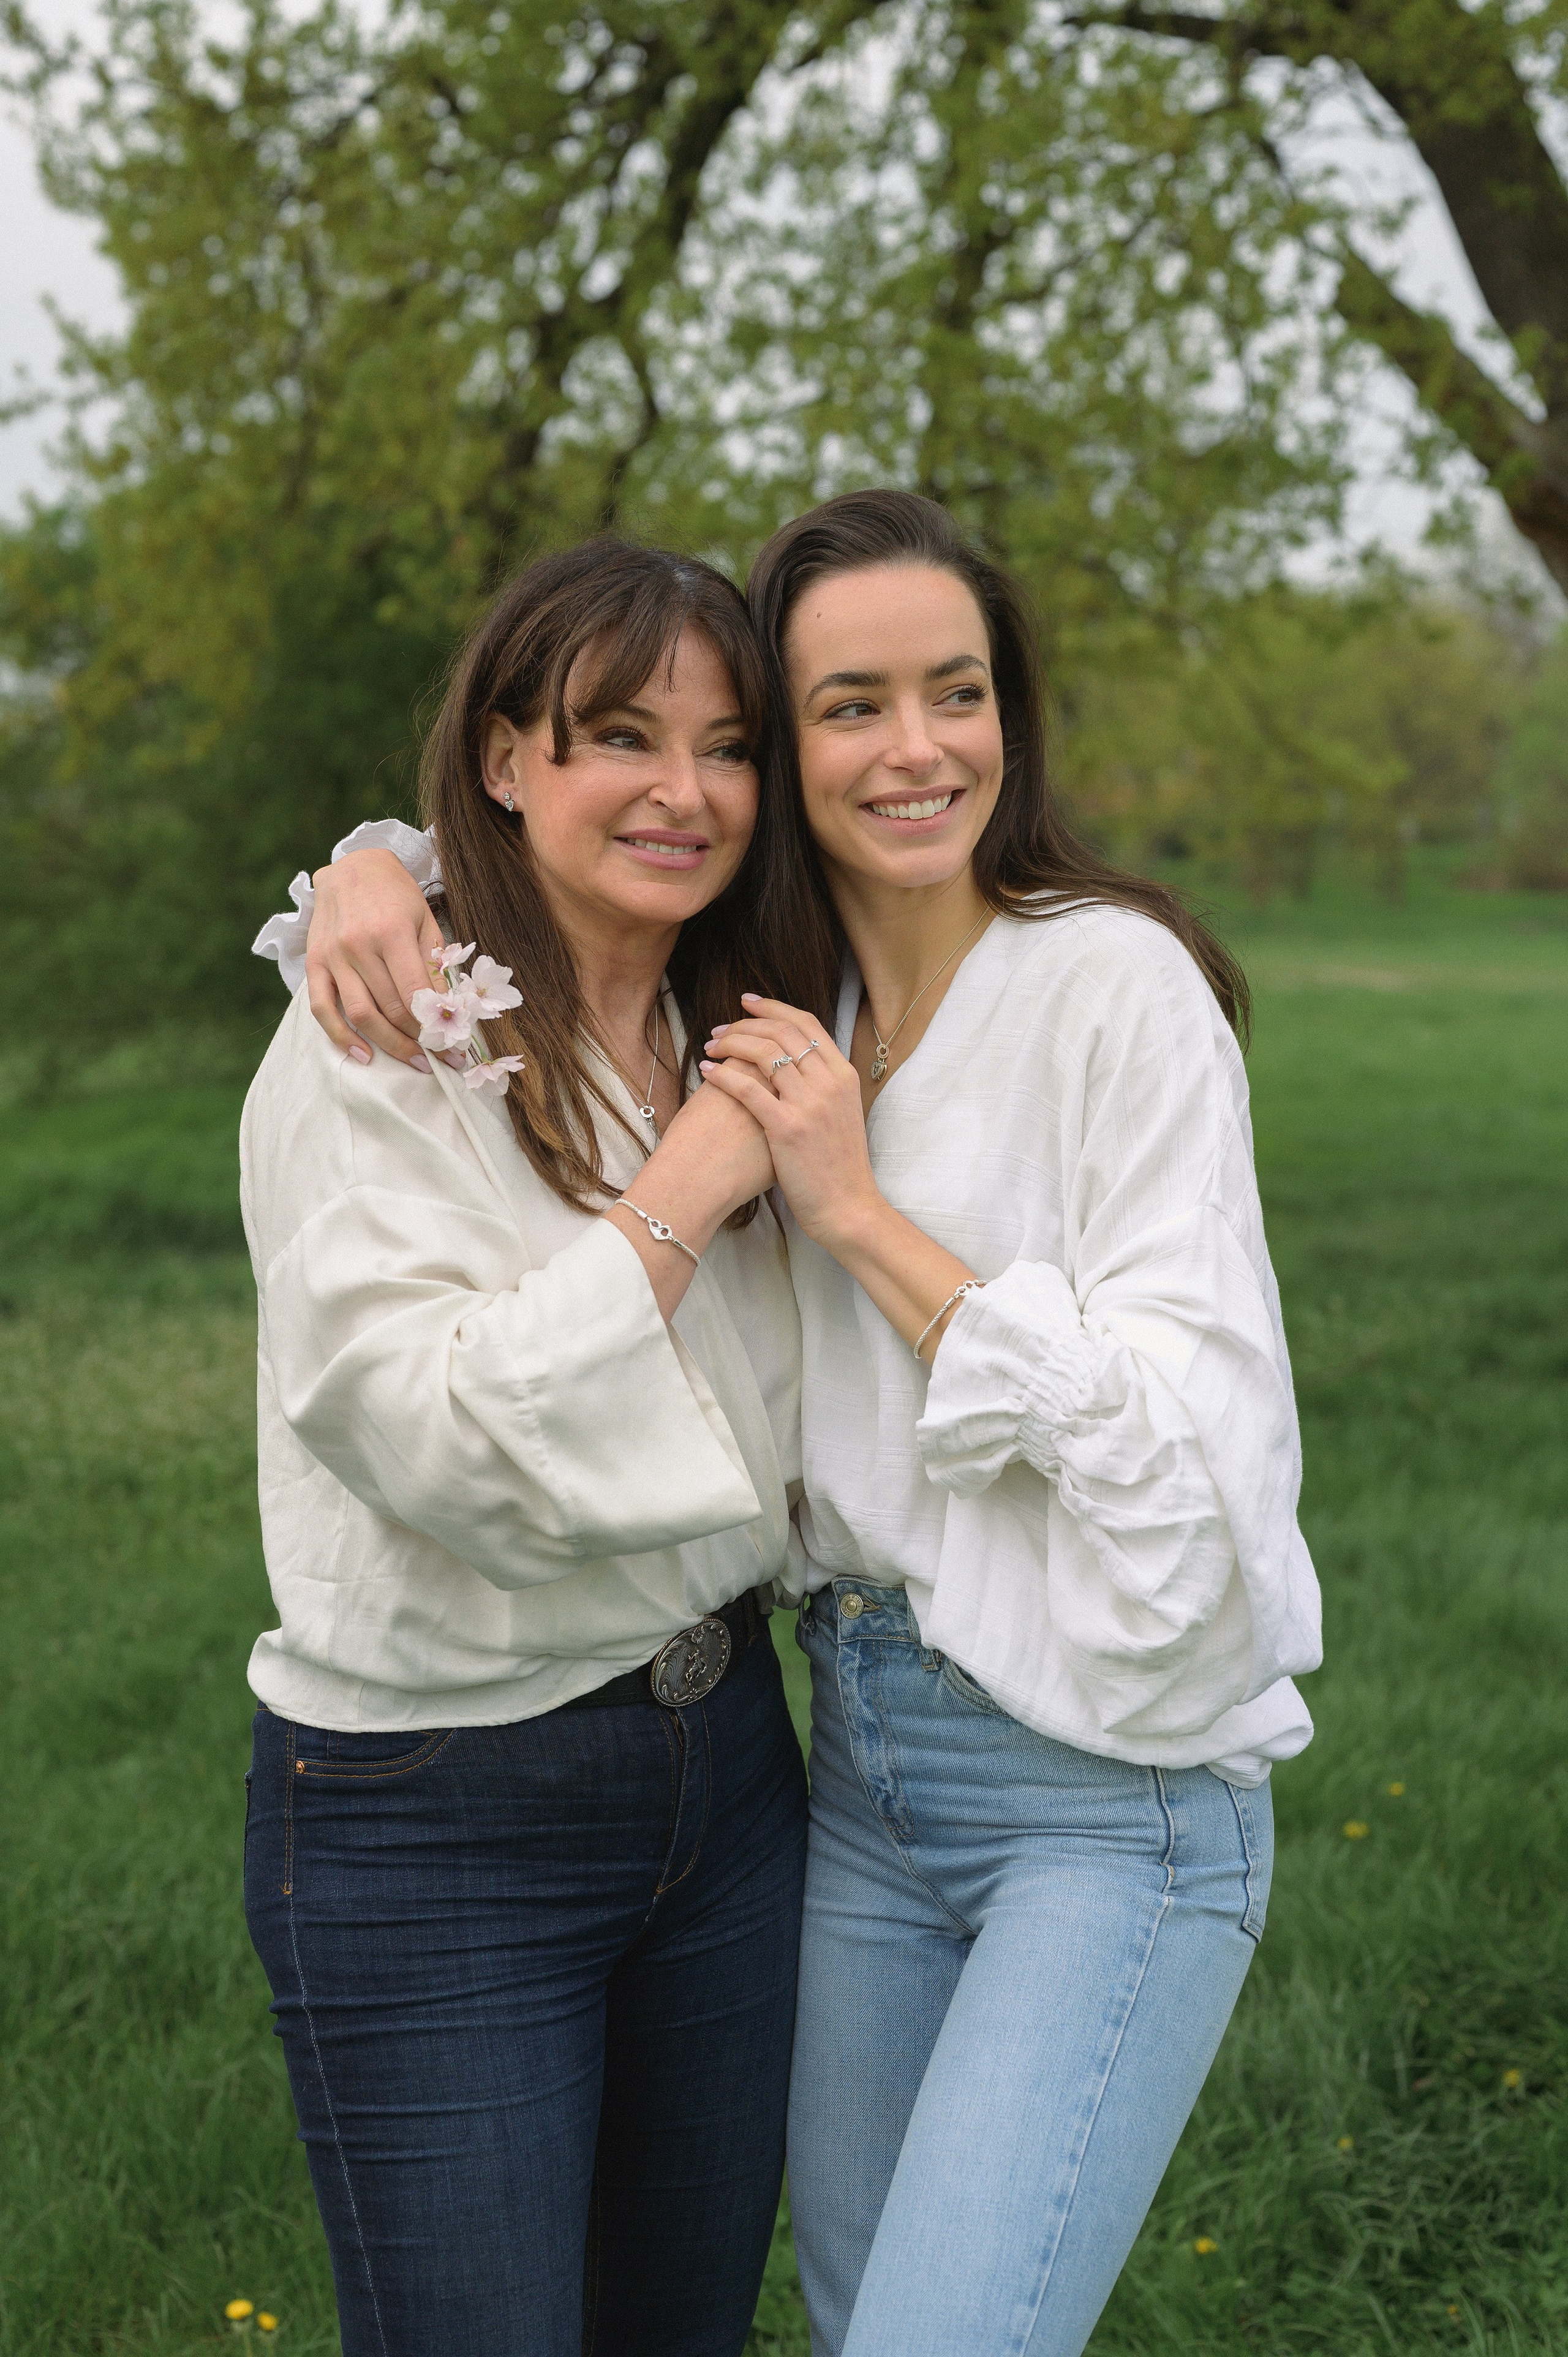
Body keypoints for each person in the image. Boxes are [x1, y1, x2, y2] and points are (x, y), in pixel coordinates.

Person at [273, 492, 1322, 2357]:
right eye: (845, 707)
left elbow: (1195, 1468)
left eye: (959, 692)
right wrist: (379, 865)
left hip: (1091, 1769)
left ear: (1015, 716)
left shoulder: (1106, 987)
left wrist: (852, 1211)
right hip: (837, 1771)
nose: (916, 749)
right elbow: (585, 812)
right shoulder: (759, 999)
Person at [240, 538, 833, 2357]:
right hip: (438, 1813)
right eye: (619, 738)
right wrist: (689, 1189)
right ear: (506, 757)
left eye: (728, 746)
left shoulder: (739, 1016)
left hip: (733, 1774)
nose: (684, 792)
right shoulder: (377, 1046)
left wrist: (378, 854)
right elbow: (439, 1436)